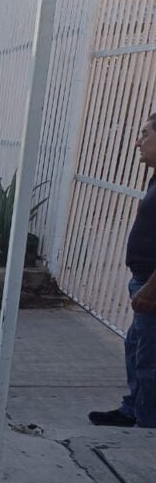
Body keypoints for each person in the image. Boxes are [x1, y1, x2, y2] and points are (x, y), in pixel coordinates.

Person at [89, 113, 156, 428]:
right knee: (137, 348)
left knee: (149, 360)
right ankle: (133, 409)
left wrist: (151, 288)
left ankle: (147, 425)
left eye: (144, 134)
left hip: (151, 284)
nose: (137, 142)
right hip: (143, 280)